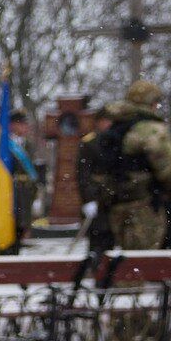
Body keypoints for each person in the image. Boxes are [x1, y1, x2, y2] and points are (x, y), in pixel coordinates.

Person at [90, 79, 171, 249]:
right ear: (152, 102)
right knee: (144, 260)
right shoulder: (151, 129)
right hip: (145, 204)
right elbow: (169, 170)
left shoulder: (118, 125)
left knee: (127, 258)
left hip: (117, 203)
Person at [0, 111, 40, 256]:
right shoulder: (3, 144)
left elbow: (33, 172)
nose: (25, 127)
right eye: (22, 124)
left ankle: (14, 259)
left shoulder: (28, 144)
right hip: (10, 192)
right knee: (8, 230)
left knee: (21, 229)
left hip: (25, 193)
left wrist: (35, 196)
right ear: (12, 125)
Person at [76, 106, 114, 253]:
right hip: (96, 194)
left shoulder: (115, 140)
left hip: (112, 195)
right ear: (98, 122)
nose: (108, 124)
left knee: (111, 236)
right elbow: (83, 174)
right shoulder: (89, 143)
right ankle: (94, 267)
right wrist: (88, 199)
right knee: (97, 235)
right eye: (105, 121)